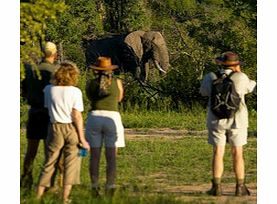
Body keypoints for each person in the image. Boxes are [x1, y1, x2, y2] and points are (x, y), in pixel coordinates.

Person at [200, 51, 256, 196]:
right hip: (237, 120)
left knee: (218, 152)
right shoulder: (241, 77)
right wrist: (239, 72)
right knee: (237, 152)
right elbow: (250, 87)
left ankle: (216, 187)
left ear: (220, 63)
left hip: (215, 118)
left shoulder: (210, 77)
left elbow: (204, 92)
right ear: (236, 64)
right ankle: (240, 187)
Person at [36, 62, 90, 203]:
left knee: (49, 162)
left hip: (54, 127)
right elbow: (76, 115)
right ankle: (65, 198)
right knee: (71, 163)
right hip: (70, 128)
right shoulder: (75, 91)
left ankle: (38, 195)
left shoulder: (49, 89)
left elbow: (47, 108)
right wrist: (82, 138)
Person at [21, 42, 60, 189]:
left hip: (34, 112)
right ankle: (49, 184)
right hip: (50, 114)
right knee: (50, 153)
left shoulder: (31, 69)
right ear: (54, 54)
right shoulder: (56, 71)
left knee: (31, 152)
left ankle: (26, 180)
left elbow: (24, 91)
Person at [85, 57, 125, 196]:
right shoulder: (117, 82)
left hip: (94, 117)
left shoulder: (91, 83)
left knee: (94, 156)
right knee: (111, 156)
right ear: (110, 70)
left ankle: (94, 186)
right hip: (112, 118)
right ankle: (110, 185)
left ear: (97, 70)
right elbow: (119, 98)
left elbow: (90, 97)